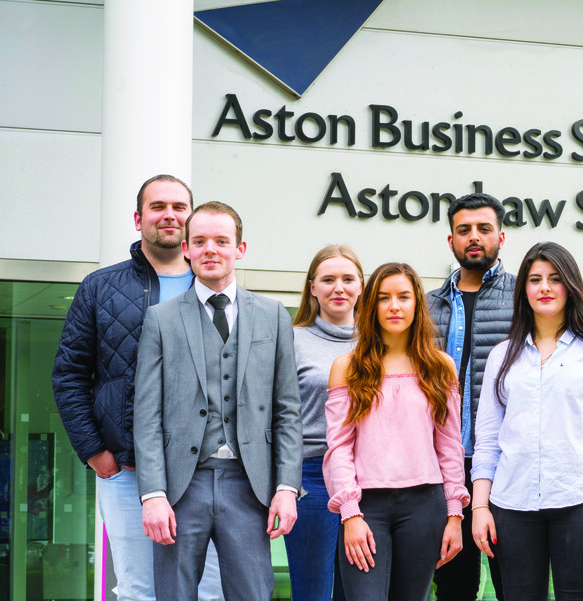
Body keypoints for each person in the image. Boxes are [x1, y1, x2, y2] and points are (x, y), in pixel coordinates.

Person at [51, 174, 223, 601]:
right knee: (139, 590)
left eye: (179, 207)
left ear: (191, 217)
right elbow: (69, 374)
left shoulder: (216, 286)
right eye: (158, 206)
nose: (169, 215)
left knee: (211, 592)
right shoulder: (100, 287)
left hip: (206, 468)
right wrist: (94, 451)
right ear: (138, 218)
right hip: (126, 468)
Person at [133, 201, 302, 600]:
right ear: (187, 249)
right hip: (180, 486)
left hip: (249, 484)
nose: (211, 249)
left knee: (252, 594)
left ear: (239, 249)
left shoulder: (274, 315)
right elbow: (147, 414)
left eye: (221, 241)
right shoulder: (161, 318)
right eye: (201, 241)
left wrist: (286, 487)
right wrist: (153, 494)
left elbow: (287, 410)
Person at [470, 242, 583, 601]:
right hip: (511, 505)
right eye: (535, 279)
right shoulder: (501, 356)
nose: (544, 287)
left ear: (570, 286)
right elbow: (488, 441)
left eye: (555, 279)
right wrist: (479, 507)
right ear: (523, 290)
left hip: (580, 500)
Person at [324, 262, 469, 600]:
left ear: (417, 304)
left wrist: (454, 515)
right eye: (384, 298)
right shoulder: (347, 367)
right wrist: (350, 514)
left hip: (424, 506)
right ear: (370, 305)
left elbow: (450, 447)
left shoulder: (439, 367)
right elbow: (338, 448)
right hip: (365, 506)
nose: (394, 306)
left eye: (403, 297)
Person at [428, 193, 515, 601]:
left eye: (483, 229)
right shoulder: (427, 306)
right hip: (442, 469)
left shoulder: (524, 299)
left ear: (501, 236)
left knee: (515, 582)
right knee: (453, 585)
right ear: (451, 241)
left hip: (505, 467)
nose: (474, 237)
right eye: (464, 230)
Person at [285, 245, 362, 601]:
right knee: (314, 591)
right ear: (312, 287)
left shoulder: (379, 342)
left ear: (362, 286)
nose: (339, 288)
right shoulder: (292, 339)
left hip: (369, 481)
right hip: (312, 478)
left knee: (360, 591)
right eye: (328, 279)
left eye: (348, 279)